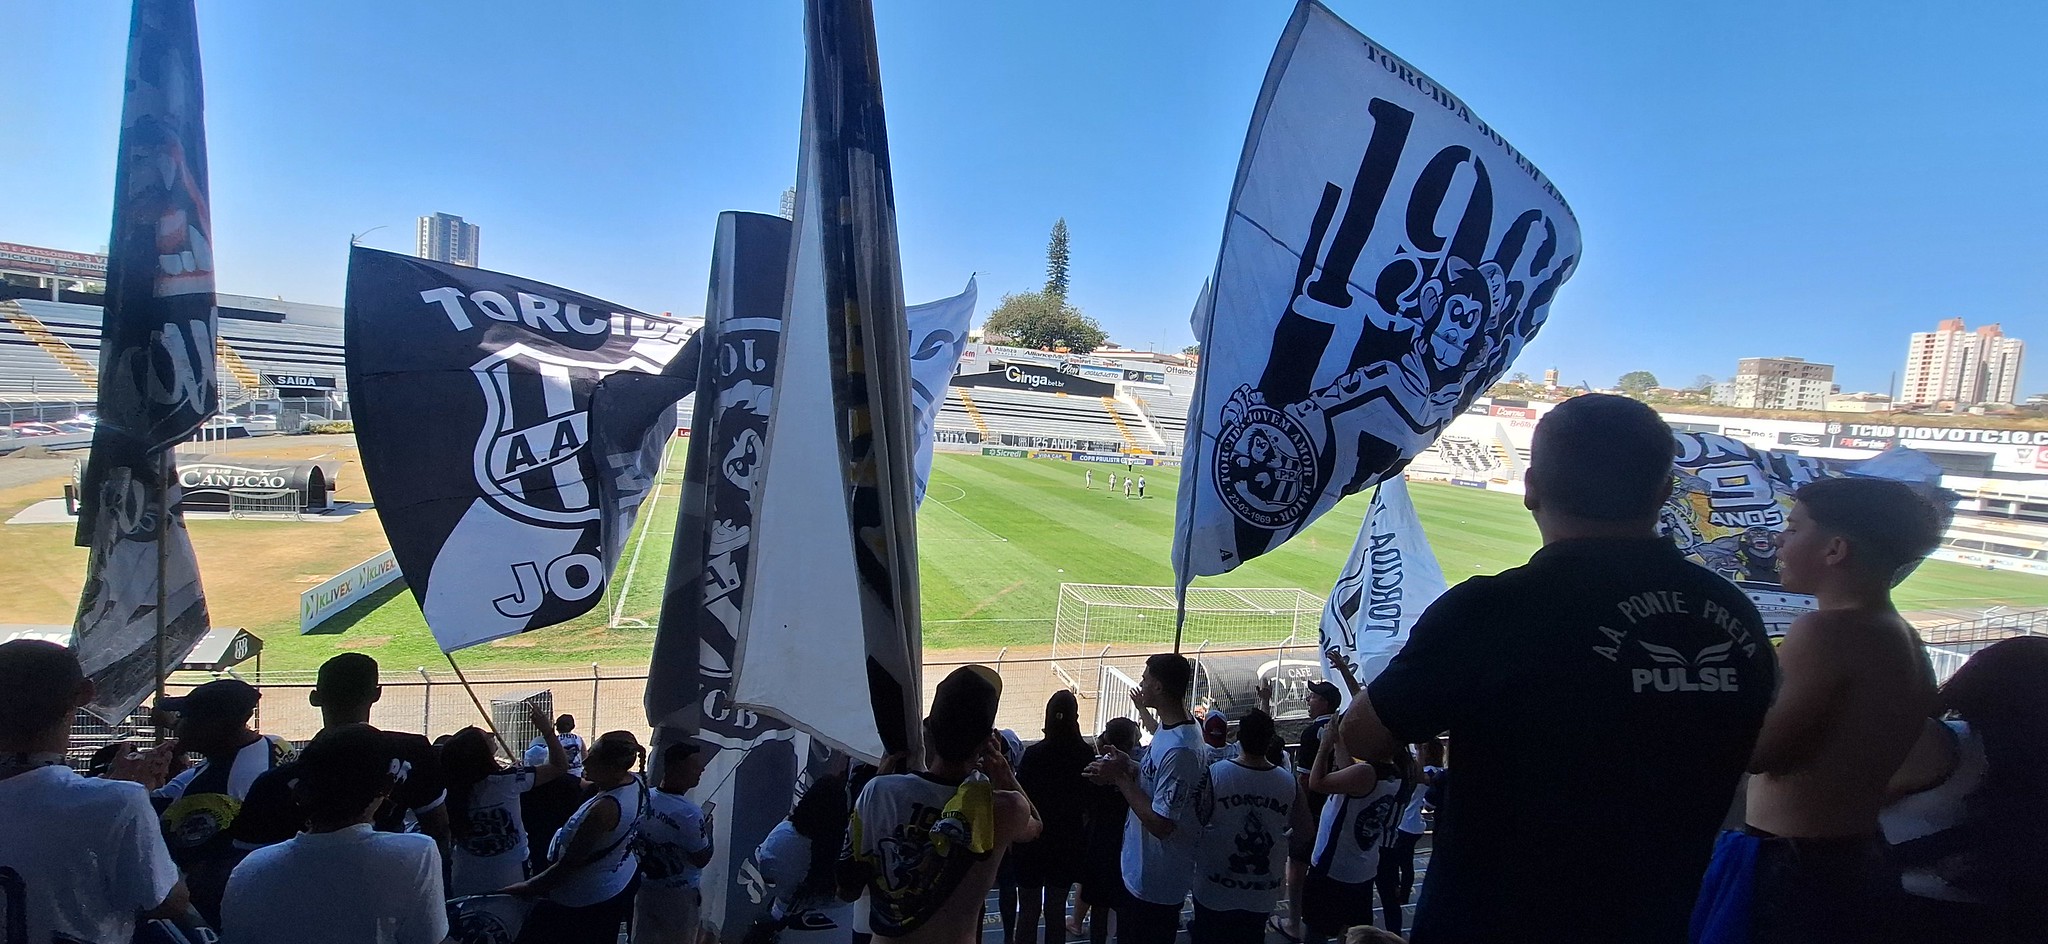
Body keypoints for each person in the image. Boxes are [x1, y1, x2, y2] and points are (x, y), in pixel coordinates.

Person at [1339, 394, 1777, 942]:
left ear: (1530, 488)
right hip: (1663, 921)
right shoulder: (1734, 614)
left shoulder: (1495, 610)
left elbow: (1364, 734)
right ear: (1664, 492)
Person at [1693, 476, 1945, 944]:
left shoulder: (1826, 632)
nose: (1780, 541)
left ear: (1835, 549)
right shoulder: (1902, 637)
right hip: (1857, 858)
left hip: (1791, 870)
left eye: (1793, 528)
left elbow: (1762, 754)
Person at [0, 640, 189, 943]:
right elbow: (169, 902)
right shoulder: (118, 803)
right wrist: (133, 796)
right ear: (85, 693)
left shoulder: (113, 799)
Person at [840, 665, 1042, 944]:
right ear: (987, 741)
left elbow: (846, 889)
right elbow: (1036, 825)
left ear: (930, 730)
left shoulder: (878, 793)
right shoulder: (1006, 808)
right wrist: (1005, 774)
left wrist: (878, 782)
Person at [1883, 635, 2048, 942]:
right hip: (2008, 917)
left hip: (1902, 909)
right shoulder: (2030, 762)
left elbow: (1838, 806)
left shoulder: (1941, 741)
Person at [220, 723, 448, 944]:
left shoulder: (249, 869)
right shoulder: (417, 854)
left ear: (300, 790)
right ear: (388, 786)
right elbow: (428, 937)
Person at [233, 654, 450, 862]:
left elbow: (245, 863)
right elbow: (438, 830)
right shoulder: (414, 750)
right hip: (392, 880)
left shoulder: (271, 784)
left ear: (315, 698)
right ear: (377, 694)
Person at [1086, 653, 1208, 944]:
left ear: (1159, 688)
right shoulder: (1171, 730)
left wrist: (1119, 778)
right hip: (1140, 873)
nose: (1141, 683)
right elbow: (1156, 778)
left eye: (1146, 678)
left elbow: (1162, 825)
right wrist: (1128, 764)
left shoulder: (1182, 750)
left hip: (1155, 884)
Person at [154, 677, 298, 925]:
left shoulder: (215, 790)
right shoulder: (272, 743)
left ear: (214, 726)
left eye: (185, 718)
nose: (176, 726)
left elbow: (171, 858)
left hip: (215, 909)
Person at [508, 730, 649, 943]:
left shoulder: (604, 810)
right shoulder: (635, 784)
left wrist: (529, 887)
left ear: (612, 768)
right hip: (607, 888)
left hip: (580, 899)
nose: (585, 760)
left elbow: (569, 865)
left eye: (594, 758)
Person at [1191, 709, 1306, 944]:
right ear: (1269, 740)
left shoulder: (1216, 774)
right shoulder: (1288, 781)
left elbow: (1196, 821)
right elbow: (1305, 832)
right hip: (1261, 891)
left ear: (1239, 738)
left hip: (1215, 885)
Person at [442, 707, 576, 896]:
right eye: (486, 736)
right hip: (511, 873)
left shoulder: (450, 787)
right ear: (482, 754)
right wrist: (547, 731)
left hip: (465, 874)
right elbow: (560, 766)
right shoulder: (510, 779)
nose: (491, 735)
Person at [1302, 714, 1404, 944]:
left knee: (1316, 930)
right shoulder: (1392, 773)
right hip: (1363, 869)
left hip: (1334, 865)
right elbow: (1350, 773)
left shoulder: (1366, 772)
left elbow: (1316, 783)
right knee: (1351, 933)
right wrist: (1338, 741)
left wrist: (1324, 746)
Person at [1013, 691, 1097, 944]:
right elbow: (1089, 803)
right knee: (1056, 909)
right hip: (1066, 841)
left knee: (1028, 911)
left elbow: (1022, 797)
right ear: (1076, 717)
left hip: (1032, 840)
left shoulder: (1034, 754)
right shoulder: (1084, 754)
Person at [751, 773, 857, 944]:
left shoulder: (782, 835)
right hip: (838, 929)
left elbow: (767, 874)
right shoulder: (849, 844)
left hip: (784, 924)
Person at [1278, 679, 1342, 942]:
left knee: (1297, 868)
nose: (1307, 700)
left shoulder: (1310, 733)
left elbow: (1305, 781)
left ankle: (1294, 923)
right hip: (1335, 810)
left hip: (1312, 812)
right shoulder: (1342, 728)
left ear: (1325, 703)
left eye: (1313, 697)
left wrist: (1298, 815)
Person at [635, 741, 715, 944]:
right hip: (679, 897)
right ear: (678, 768)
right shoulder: (689, 813)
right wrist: (709, 832)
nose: (702, 769)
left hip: (644, 889)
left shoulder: (645, 797)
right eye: (696, 765)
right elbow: (701, 858)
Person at [1073, 717, 1140, 944]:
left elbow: (1084, 808)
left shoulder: (1095, 769)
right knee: (1123, 906)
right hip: (1127, 846)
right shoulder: (1137, 773)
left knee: (1099, 908)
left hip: (1099, 844)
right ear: (1131, 744)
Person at [1376, 742, 1438, 938]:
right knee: (1401, 870)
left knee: (1385, 883)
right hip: (1401, 830)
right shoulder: (1412, 778)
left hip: (1392, 834)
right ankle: (1396, 925)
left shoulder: (1391, 779)